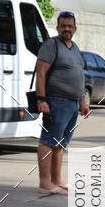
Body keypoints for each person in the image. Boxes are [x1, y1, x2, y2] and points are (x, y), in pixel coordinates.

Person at [36, 12, 89, 194]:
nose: (67, 28)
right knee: (48, 141)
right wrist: (42, 99)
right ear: (58, 27)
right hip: (56, 101)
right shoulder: (51, 45)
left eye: (70, 26)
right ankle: (44, 182)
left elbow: (79, 76)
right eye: (63, 25)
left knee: (60, 143)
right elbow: (41, 72)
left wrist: (82, 101)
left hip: (73, 103)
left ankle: (56, 179)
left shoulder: (74, 48)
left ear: (75, 28)